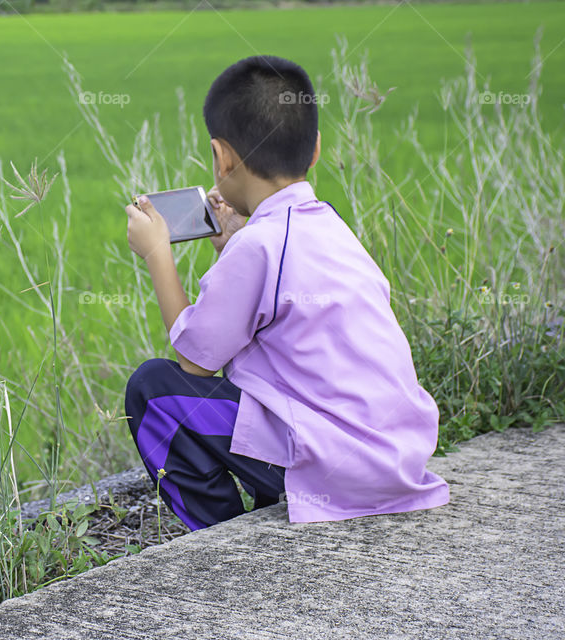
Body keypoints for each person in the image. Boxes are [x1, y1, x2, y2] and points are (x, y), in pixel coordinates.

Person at [122, 55, 449, 530]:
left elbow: (196, 361)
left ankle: (219, 538)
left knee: (153, 390)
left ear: (222, 157)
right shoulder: (329, 227)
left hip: (334, 470)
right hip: (397, 461)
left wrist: (157, 253)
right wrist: (231, 246)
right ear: (314, 149)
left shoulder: (258, 245)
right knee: (263, 386)